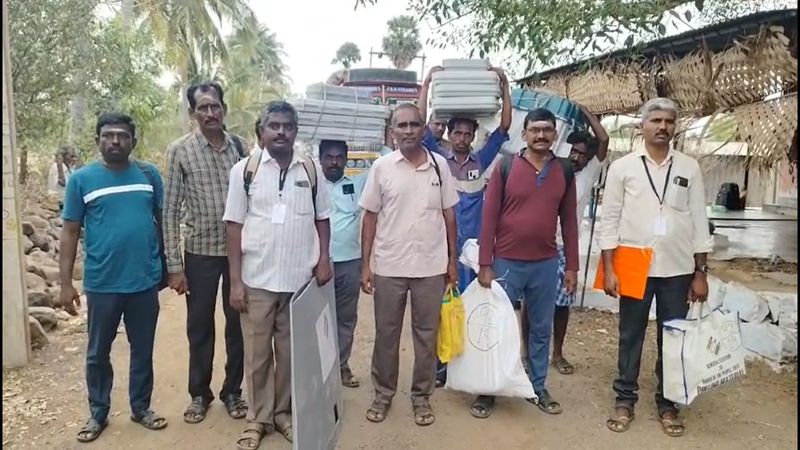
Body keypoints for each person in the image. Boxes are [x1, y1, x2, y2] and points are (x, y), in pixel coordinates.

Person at [598, 98, 713, 438]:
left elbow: (699, 220)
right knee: (630, 335)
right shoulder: (623, 167)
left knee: (673, 336)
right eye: (656, 121)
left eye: (669, 121)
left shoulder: (689, 167)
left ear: (675, 126)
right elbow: (609, 220)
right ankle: (624, 399)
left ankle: (668, 403)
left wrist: (700, 272)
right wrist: (609, 268)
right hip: (633, 263)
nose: (663, 127)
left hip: (677, 267)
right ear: (642, 127)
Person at [223, 101, 332, 449]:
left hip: (299, 282)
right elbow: (234, 228)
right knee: (256, 355)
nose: (281, 132)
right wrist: (236, 281)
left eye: (287, 126)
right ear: (263, 130)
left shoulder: (311, 170)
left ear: (295, 131)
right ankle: (258, 418)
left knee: (289, 355)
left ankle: (283, 414)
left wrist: (324, 258)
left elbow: (322, 218)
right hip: (257, 280)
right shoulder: (245, 171)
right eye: (274, 126)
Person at [59, 113, 167, 443]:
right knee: (97, 353)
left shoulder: (149, 174)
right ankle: (98, 413)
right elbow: (70, 230)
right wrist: (65, 283)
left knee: (142, 348)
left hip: (143, 282)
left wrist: (166, 268)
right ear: (98, 140)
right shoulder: (81, 180)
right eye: (108, 135)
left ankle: (141, 407)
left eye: (122, 135)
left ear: (133, 141)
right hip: (102, 282)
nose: (115, 141)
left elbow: (162, 223)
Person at [360, 103, 459, 427]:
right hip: (390, 265)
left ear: (424, 129)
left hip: (431, 266)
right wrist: (366, 265)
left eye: (414, 125)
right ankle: (383, 393)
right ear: (392, 131)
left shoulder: (439, 166)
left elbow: (449, 215)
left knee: (426, 335)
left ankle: (421, 397)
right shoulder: (383, 168)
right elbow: (370, 216)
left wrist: (451, 262)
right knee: (386, 334)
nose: (407, 131)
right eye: (401, 125)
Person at [476, 108, 579, 418]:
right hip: (506, 262)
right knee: (498, 328)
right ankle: (489, 389)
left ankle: (537, 386)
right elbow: (489, 216)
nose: (541, 135)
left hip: (546, 264)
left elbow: (570, 222)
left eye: (547, 130)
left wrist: (571, 266)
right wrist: (485, 262)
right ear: (525, 134)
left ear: (554, 135)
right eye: (535, 130)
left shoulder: (564, 170)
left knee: (540, 329)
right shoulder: (506, 166)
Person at [419, 65, 512, 387]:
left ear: (473, 136)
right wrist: (428, 82)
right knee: (438, 307)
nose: (461, 138)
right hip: (441, 246)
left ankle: (465, 363)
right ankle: (440, 367)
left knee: (467, 305)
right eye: (456, 133)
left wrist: (504, 84)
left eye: (467, 134)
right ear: (449, 135)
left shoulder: (482, 160)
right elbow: (419, 126)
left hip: (471, 250)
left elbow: (504, 127)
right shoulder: (438, 157)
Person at [163, 82, 249, 424]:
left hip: (238, 254)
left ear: (223, 110)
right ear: (192, 114)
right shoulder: (180, 151)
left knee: (238, 324)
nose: (210, 113)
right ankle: (199, 393)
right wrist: (174, 266)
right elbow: (169, 210)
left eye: (215, 106)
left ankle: (233, 392)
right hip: (199, 253)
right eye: (203, 108)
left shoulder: (240, 147)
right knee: (199, 326)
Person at [550, 104, 609, 376]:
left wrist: (586, 112)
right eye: (573, 152)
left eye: (582, 154)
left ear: (589, 159)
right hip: (543, 246)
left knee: (562, 305)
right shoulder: (555, 169)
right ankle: (528, 354)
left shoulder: (589, 174)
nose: (576, 157)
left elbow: (604, 140)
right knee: (535, 303)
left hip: (566, 249)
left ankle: (558, 353)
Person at [319, 139, 367, 388]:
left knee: (346, 318)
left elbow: (386, 157)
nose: (334, 162)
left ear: (347, 160)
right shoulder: (311, 185)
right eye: (329, 157)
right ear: (321, 159)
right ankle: (319, 367)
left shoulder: (356, 184)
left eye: (339, 157)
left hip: (349, 262)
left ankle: (341, 365)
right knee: (318, 317)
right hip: (318, 264)